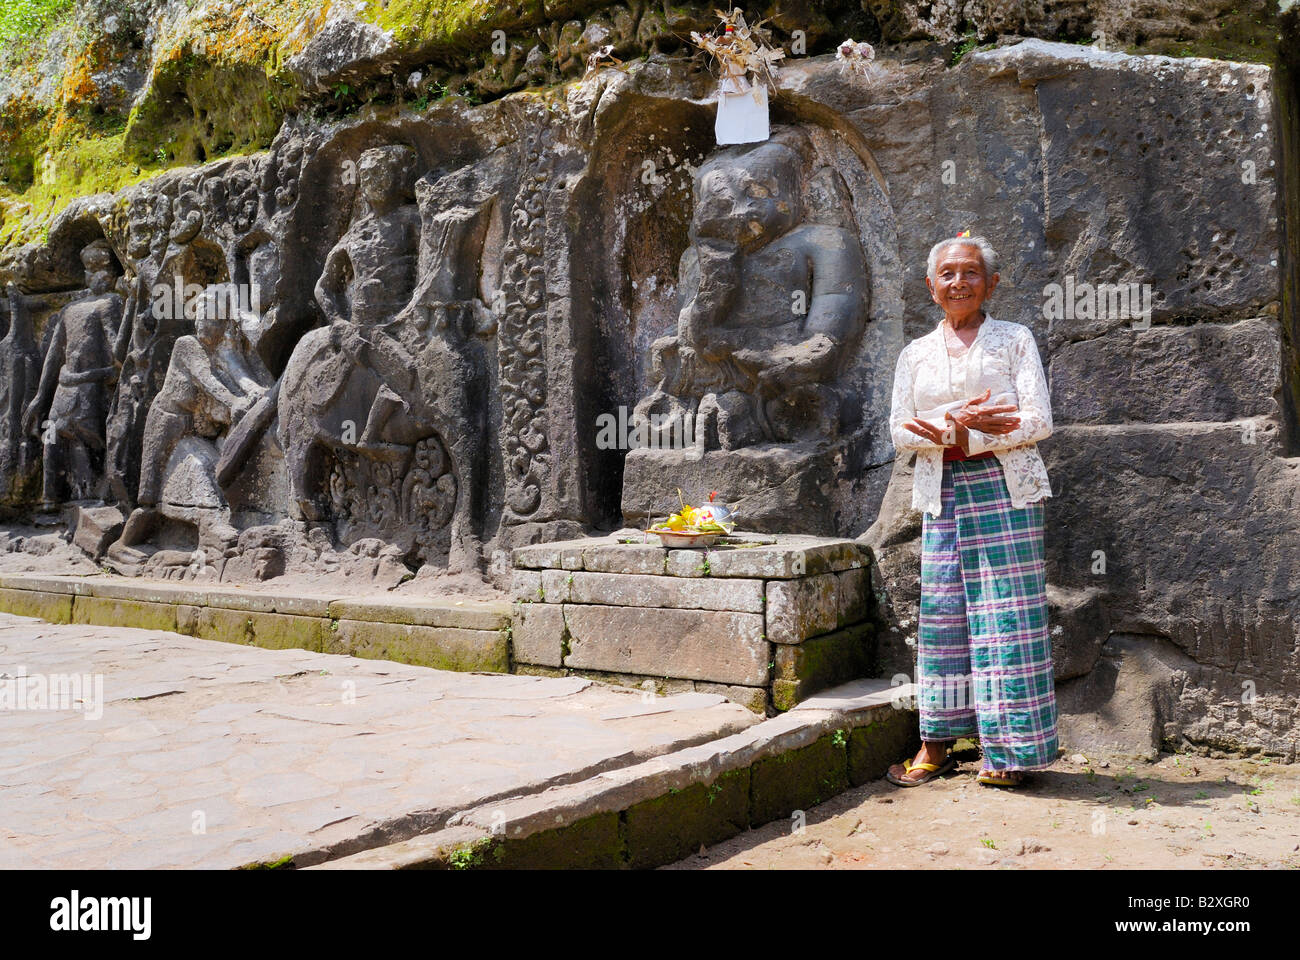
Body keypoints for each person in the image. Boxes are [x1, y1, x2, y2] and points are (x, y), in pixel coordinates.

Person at [884, 232, 1058, 788]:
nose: (960, 283)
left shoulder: (1013, 340)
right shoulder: (915, 354)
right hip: (943, 491)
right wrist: (951, 425)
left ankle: (1007, 753)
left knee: (1006, 617)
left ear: (991, 283)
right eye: (949, 275)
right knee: (943, 618)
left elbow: (1038, 421)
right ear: (931, 287)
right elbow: (898, 429)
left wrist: (980, 433)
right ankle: (935, 744)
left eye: (971, 273)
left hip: (1007, 489)